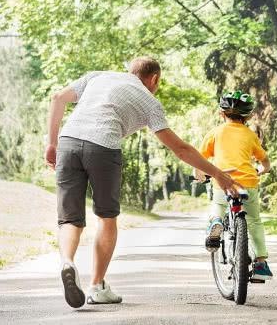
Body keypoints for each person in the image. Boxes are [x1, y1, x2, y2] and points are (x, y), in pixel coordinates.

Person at [44, 56, 241, 308]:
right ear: (154, 79)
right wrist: (219, 174)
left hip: (69, 141)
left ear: (129, 71)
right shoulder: (149, 101)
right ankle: (96, 286)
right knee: (106, 217)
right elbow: (180, 149)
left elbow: (57, 98)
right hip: (103, 147)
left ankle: (68, 262)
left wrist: (52, 143)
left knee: (70, 219)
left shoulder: (98, 76)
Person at [193, 90, 273, 282]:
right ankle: (261, 262)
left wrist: (200, 175)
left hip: (223, 179)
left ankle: (216, 222)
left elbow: (200, 158)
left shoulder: (215, 133)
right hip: (248, 183)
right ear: (249, 116)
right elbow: (264, 159)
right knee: (253, 220)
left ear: (221, 114)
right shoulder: (251, 135)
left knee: (218, 205)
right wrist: (264, 169)